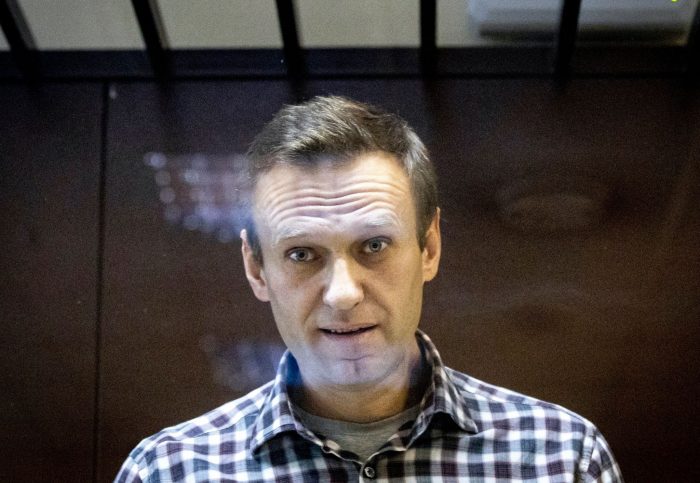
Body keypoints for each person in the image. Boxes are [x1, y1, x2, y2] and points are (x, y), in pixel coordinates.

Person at [116, 96, 623, 482]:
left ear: (429, 248)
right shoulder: (168, 471)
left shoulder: (562, 458)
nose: (343, 294)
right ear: (256, 268)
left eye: (374, 246)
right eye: (302, 254)